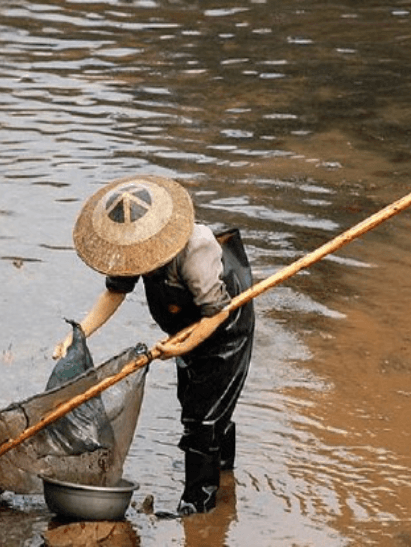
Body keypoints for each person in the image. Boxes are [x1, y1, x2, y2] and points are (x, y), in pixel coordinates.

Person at [53, 174, 254, 514]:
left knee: (202, 417)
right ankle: (221, 469)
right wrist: (81, 331)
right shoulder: (136, 247)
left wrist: (179, 348)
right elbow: (116, 291)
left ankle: (199, 506)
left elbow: (216, 314)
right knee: (194, 400)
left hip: (224, 325)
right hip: (186, 325)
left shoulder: (195, 247)